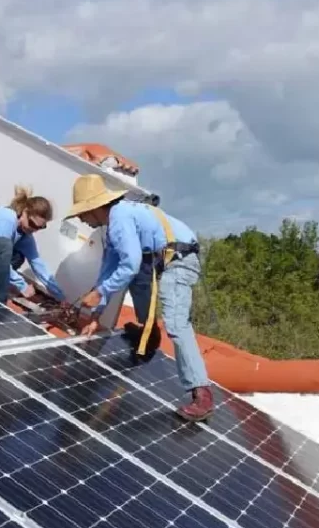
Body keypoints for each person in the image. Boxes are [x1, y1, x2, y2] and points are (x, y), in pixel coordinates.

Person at [66, 173, 214, 422]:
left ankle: (202, 394)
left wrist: (99, 293)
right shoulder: (113, 226)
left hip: (180, 258)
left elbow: (130, 265)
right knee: (132, 279)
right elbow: (109, 271)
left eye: (82, 212)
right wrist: (96, 314)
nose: (80, 218)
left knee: (176, 323)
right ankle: (149, 332)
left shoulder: (119, 218)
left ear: (94, 208)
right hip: (164, 257)